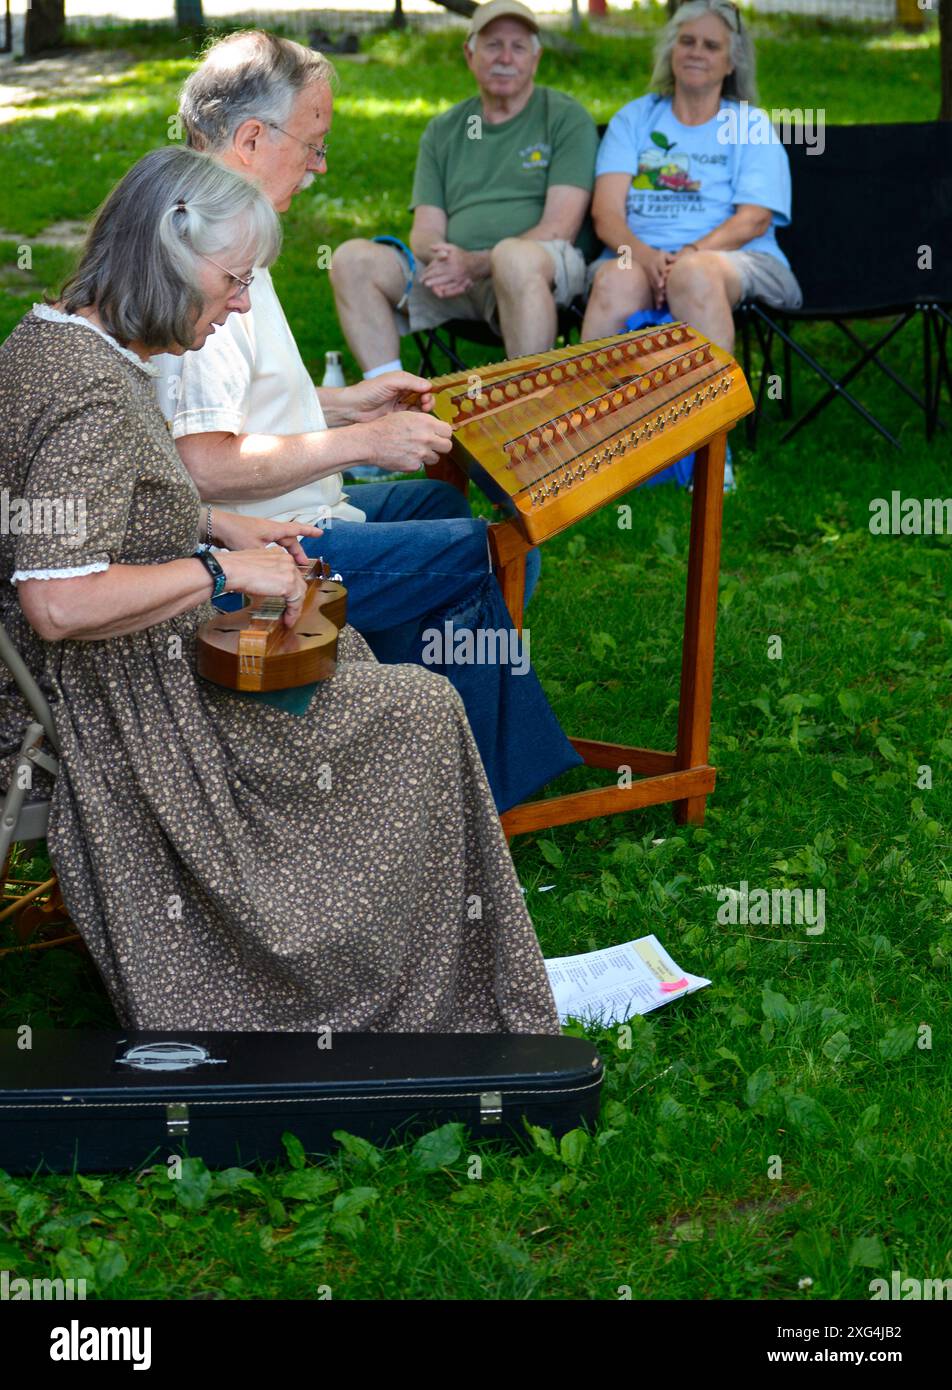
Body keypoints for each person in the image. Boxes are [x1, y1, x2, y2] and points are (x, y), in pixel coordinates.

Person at [0, 146, 560, 1036]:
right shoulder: (92, 398)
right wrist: (220, 572)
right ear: (165, 261)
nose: (244, 304)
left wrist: (218, 526)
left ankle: (424, 941)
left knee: (360, 666)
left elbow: (79, 516)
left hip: (111, 664)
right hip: (111, 697)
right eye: (233, 281)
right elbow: (59, 603)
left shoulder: (55, 341)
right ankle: (364, 988)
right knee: (418, 711)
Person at [154, 28, 582, 814]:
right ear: (252, 138)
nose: (319, 165)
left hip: (285, 513)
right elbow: (201, 463)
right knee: (482, 554)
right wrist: (362, 442)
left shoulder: (214, 219)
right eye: (312, 144)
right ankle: (487, 802)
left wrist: (348, 405)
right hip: (250, 549)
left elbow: (229, 410)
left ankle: (394, 748)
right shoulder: (204, 245)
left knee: (440, 508)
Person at [329, 0, 599, 368]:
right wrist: (447, 259)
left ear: (535, 60)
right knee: (350, 259)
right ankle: (387, 401)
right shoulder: (444, 130)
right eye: (492, 45)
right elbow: (424, 230)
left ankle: (532, 409)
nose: (505, 57)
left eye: (518, 47)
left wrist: (477, 262)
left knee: (512, 257)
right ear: (470, 55)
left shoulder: (566, 118)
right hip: (453, 277)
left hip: (538, 273)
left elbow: (560, 229)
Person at [581, 0, 801, 356]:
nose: (696, 52)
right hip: (636, 254)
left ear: (731, 63)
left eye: (711, 46)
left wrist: (689, 255)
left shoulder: (750, 125)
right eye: (687, 41)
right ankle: (594, 408)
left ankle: (709, 411)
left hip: (736, 257)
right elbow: (605, 214)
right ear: (671, 50)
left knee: (693, 274)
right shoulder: (633, 120)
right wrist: (647, 256)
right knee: (615, 278)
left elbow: (754, 218)